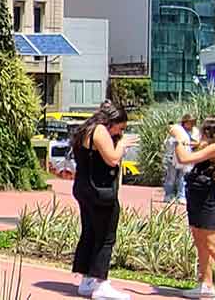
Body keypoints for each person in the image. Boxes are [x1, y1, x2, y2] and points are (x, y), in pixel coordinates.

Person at [70, 100, 134, 300]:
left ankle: (87, 279)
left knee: (89, 232)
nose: (119, 133)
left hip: (85, 189)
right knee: (106, 236)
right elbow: (112, 158)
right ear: (111, 121)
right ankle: (101, 283)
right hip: (100, 192)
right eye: (119, 128)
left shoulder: (85, 130)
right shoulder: (99, 131)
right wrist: (122, 146)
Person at [174, 117, 215, 298]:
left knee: (213, 246)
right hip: (196, 196)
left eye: (204, 131)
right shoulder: (206, 145)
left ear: (212, 133)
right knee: (200, 242)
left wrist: (178, 138)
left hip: (208, 200)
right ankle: (206, 284)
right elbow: (193, 146)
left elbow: (184, 158)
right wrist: (186, 140)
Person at [167, 112, 202, 205]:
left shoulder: (195, 131)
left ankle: (181, 196)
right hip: (173, 157)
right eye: (189, 122)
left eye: (192, 122)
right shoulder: (178, 129)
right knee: (171, 177)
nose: (191, 124)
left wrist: (187, 143)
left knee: (183, 177)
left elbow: (197, 142)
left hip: (187, 155)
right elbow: (172, 139)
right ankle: (168, 195)